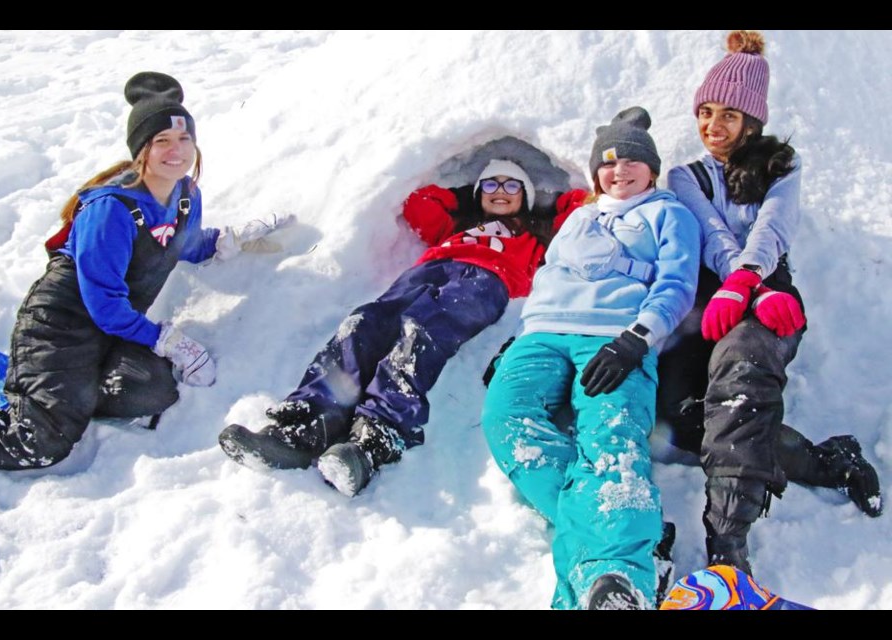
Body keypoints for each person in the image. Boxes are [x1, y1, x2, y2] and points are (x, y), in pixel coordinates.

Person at [0, 71, 287, 470]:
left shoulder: (185, 195)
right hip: (61, 324)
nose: (177, 151)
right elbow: (103, 304)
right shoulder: (112, 209)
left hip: (110, 330)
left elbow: (179, 244)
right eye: (162, 141)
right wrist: (167, 341)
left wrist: (226, 240)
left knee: (152, 391)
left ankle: (68, 394)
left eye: (185, 139)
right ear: (141, 150)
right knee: (43, 440)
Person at [219, 157, 588, 497]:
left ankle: (377, 434)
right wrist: (460, 197)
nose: (501, 193)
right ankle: (308, 423)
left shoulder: (536, 236)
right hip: (427, 271)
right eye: (490, 185)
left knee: (423, 331)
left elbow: (581, 207)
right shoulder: (457, 226)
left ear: (526, 196)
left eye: (512, 186)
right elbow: (419, 204)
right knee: (364, 325)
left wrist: (546, 203)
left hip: (487, 281)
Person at [659, 30, 883, 577]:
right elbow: (712, 234)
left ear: (752, 122)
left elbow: (773, 224)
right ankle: (826, 462)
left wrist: (753, 282)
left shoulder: (782, 166)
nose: (714, 126)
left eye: (729, 116)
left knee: (739, 385)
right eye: (706, 112)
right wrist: (736, 281)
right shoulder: (685, 177)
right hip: (709, 299)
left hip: (768, 301)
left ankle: (728, 549)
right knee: (684, 418)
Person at [481, 107, 701, 610]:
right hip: (542, 333)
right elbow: (550, 278)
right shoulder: (580, 217)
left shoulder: (670, 215)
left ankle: (618, 578)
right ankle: (615, 536)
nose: (618, 171)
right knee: (505, 419)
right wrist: (515, 339)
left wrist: (636, 339)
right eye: (607, 164)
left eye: (630, 161)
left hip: (613, 338)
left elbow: (675, 288)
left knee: (612, 438)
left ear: (652, 167)